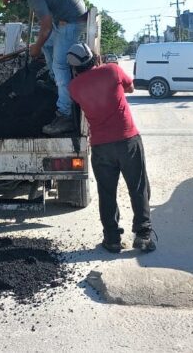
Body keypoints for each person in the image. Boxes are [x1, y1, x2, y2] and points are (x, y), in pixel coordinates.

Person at [66, 43, 155, 253]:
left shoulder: (74, 88)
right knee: (138, 187)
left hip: (100, 147)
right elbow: (130, 87)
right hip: (127, 141)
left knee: (107, 193)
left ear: (73, 67)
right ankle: (143, 236)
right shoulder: (112, 70)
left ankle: (112, 239)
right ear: (93, 57)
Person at [0, 0, 88, 135]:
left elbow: (45, 28)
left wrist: (35, 49)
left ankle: (65, 115)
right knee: (47, 44)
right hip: (65, 15)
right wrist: (59, 0)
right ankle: (55, 82)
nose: (14, 0)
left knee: (60, 65)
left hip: (74, 19)